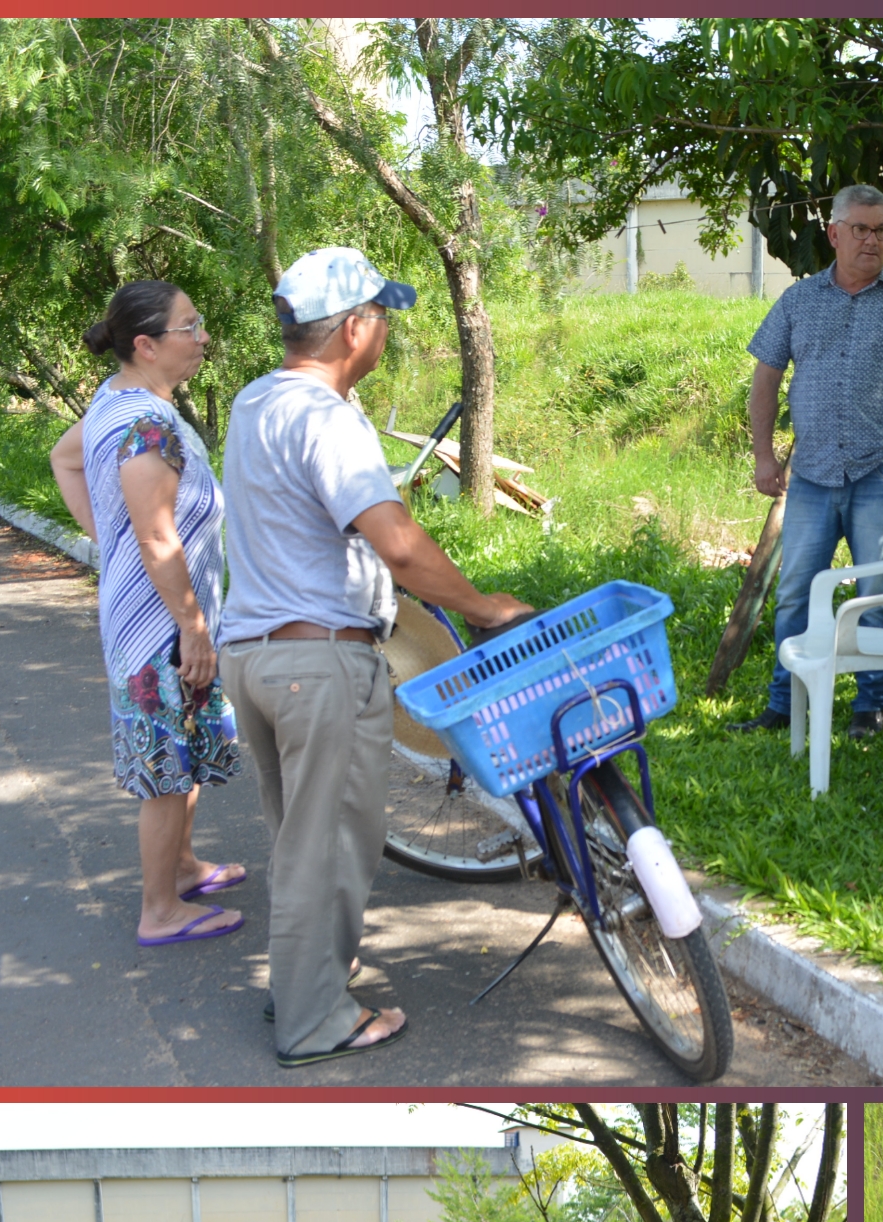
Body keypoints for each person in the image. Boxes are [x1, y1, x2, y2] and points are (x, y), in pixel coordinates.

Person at [218, 246, 530, 1069]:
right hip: (317, 665)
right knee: (328, 848)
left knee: (299, 840)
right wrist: (482, 605)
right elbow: (396, 540)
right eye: (381, 316)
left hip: (254, 657)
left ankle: (301, 983)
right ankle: (316, 1021)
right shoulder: (325, 418)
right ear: (354, 329)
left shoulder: (255, 402)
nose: (385, 330)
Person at [51, 281, 245, 948]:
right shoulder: (148, 428)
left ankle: (184, 868)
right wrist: (192, 625)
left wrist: (108, 536)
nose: (202, 337)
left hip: (153, 615)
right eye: (188, 326)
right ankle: (160, 909)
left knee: (183, 749)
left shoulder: (118, 401)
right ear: (146, 344)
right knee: (166, 770)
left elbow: (64, 458)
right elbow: (157, 539)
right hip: (161, 628)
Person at [736, 184, 883, 740]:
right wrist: (764, 456)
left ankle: (870, 708)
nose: (872, 240)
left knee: (877, 594)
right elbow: (765, 378)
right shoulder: (798, 301)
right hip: (811, 475)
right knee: (796, 593)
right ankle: (785, 706)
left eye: (881, 230)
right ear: (834, 233)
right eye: (860, 229)